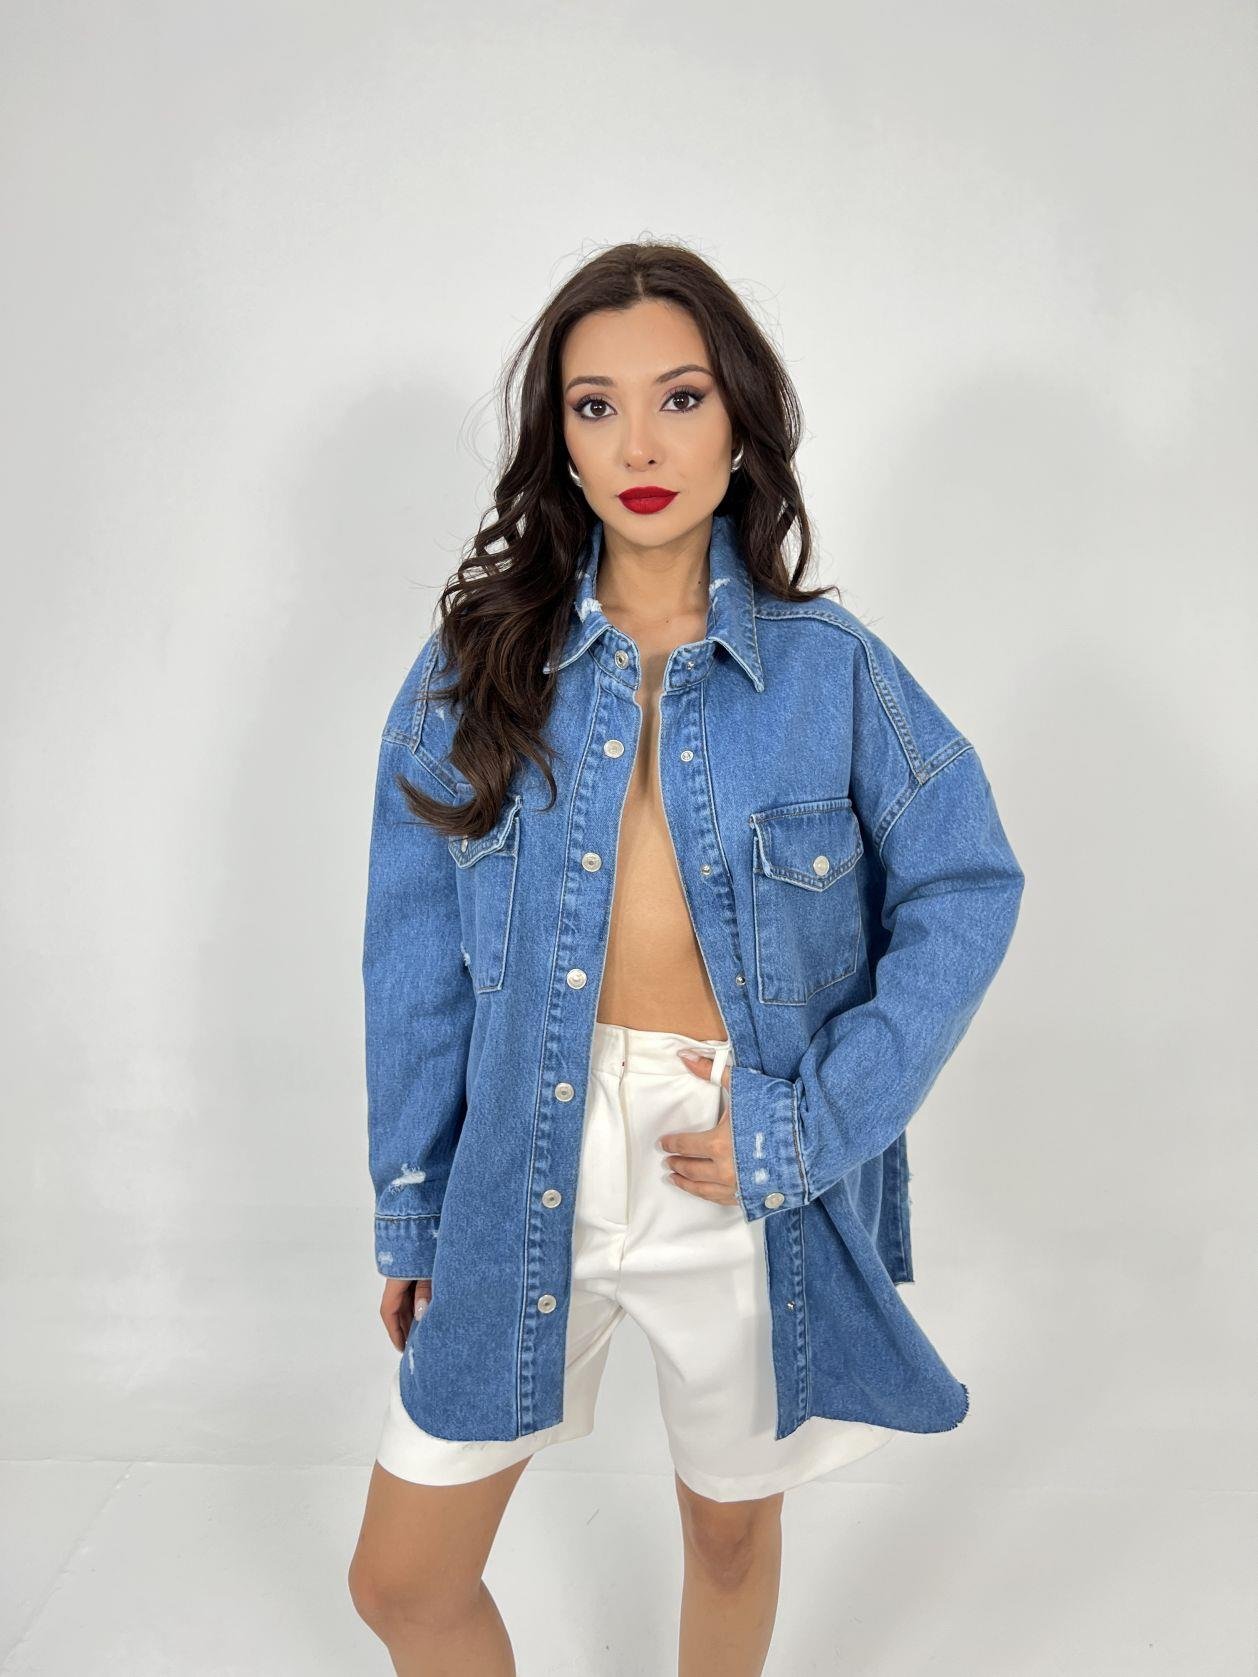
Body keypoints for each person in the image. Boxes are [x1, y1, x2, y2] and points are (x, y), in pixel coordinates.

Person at [347, 240, 1025, 1676]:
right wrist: (413, 1207)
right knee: (403, 1579)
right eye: (595, 407)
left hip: (732, 1164)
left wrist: (812, 1122)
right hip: (524, 1154)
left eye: (679, 398)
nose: (640, 446)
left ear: (739, 422)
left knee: (724, 1538)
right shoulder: (473, 670)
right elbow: (412, 958)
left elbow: (966, 885)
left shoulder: (833, 671)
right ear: (560, 442)